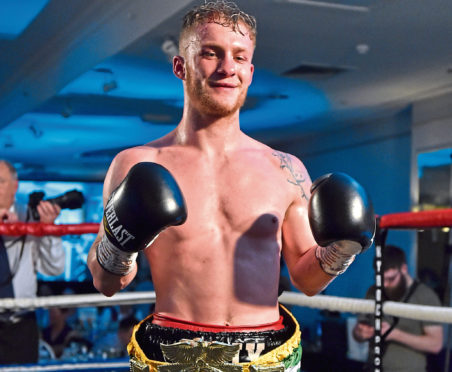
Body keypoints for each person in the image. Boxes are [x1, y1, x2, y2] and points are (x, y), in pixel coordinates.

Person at [87, 1, 375, 371]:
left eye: (239, 57)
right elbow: (107, 281)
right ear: (181, 66)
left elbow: (307, 278)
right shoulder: (137, 164)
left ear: (251, 71)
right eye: (211, 53)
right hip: (174, 352)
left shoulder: (286, 168)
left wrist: (340, 251)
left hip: (268, 353)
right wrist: (116, 246)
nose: (227, 68)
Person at [0, 159, 64, 365]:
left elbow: (54, 269)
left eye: (0, 181)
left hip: (22, 323)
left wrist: (48, 229)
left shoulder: (32, 216)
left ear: (15, 185)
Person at [353, 244, 443, 372]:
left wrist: (394, 334)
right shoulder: (373, 291)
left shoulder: (425, 296)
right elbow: (357, 333)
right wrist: (360, 333)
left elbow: (436, 344)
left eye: (391, 279)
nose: (384, 285)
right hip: (372, 367)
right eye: (379, 279)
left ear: (404, 269)